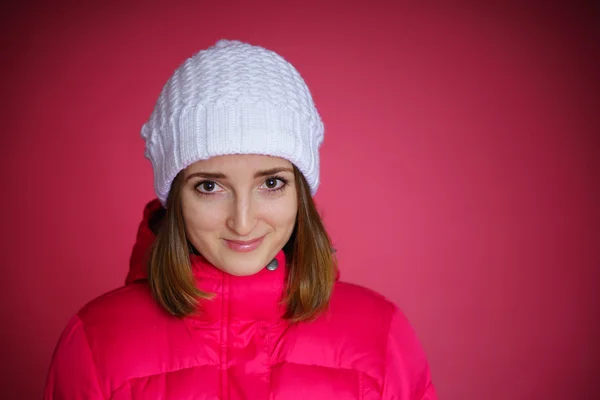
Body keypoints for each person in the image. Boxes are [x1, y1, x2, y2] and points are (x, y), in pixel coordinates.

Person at [44, 39, 437, 399]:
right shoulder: (96, 340)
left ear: (299, 191)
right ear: (174, 196)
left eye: (271, 182)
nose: (243, 222)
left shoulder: (381, 335)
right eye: (210, 187)